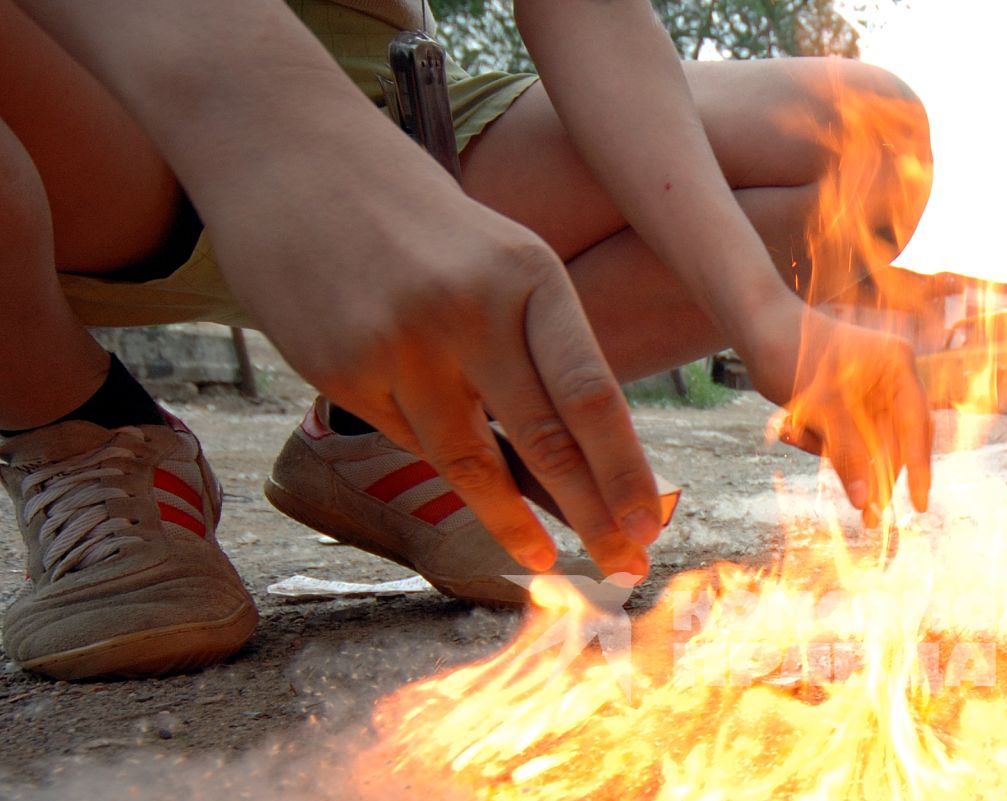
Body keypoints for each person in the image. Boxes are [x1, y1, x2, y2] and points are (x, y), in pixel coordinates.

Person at [0, 0, 934, 679]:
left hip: (404, 119)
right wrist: (267, 135)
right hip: (79, 124)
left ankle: (395, 421)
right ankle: (69, 417)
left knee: (866, 141)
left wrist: (762, 309)